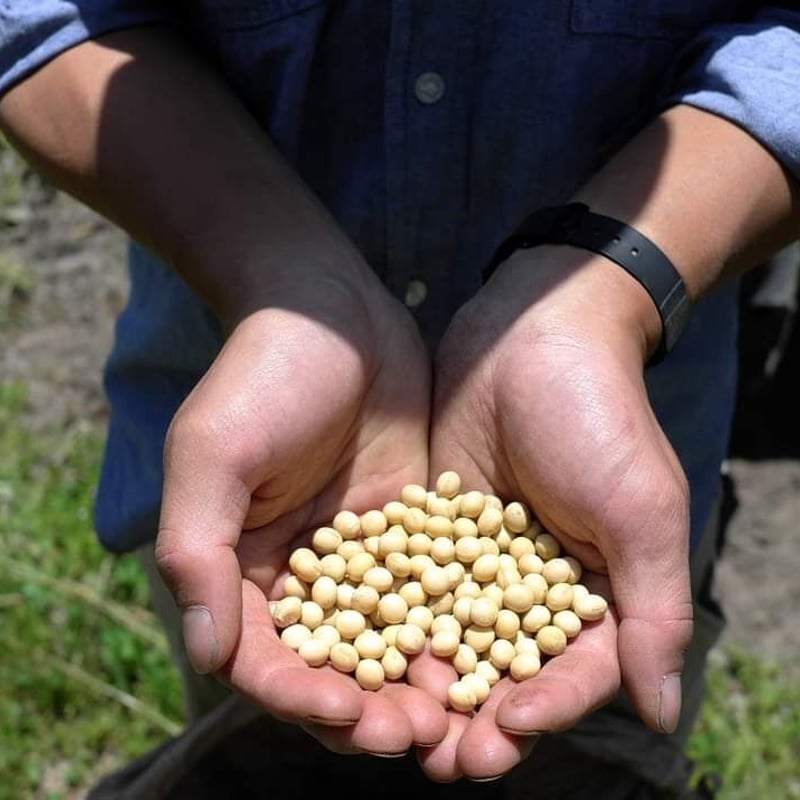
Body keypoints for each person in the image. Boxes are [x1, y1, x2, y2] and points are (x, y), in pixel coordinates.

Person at [1, 3, 798, 798]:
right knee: (270, 736)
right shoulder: (296, 545)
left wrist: (607, 293)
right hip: (261, 496)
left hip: (605, 483)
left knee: (584, 753)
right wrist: (275, 272)